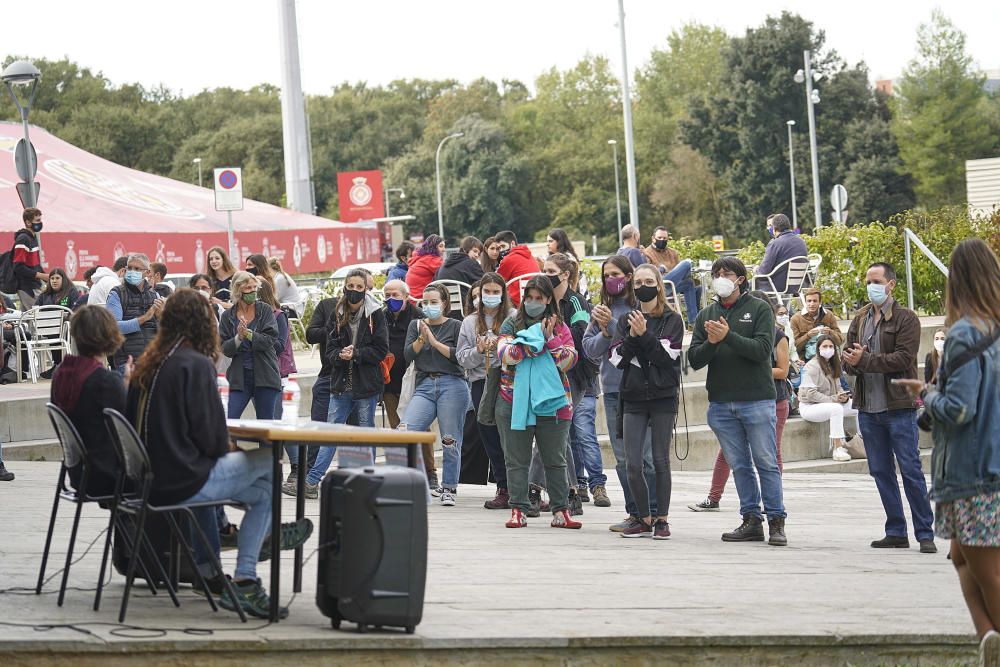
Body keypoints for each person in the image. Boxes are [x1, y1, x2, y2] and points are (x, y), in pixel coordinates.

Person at [125, 288, 312, 619]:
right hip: (185, 480)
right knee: (269, 459)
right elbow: (212, 441)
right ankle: (247, 572)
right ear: (203, 324)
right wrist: (233, 448)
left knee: (264, 490)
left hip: (153, 478)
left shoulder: (149, 364)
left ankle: (223, 569)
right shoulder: (195, 365)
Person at [895, 238, 1000, 666]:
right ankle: (988, 638)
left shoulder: (962, 334)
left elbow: (958, 409)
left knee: (983, 568)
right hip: (991, 461)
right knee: (960, 556)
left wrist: (926, 396)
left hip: (969, 468)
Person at [688, 257, 787, 546]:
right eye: (716, 274)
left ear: (740, 279)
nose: (721, 278)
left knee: (766, 462)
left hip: (756, 400)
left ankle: (777, 520)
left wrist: (728, 336)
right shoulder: (706, 313)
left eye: (726, 273)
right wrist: (713, 342)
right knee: (740, 465)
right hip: (721, 403)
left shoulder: (758, 309)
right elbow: (694, 359)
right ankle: (751, 519)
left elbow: (762, 350)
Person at [842, 262, 935, 553]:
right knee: (881, 471)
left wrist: (865, 361)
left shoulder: (907, 319)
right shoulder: (860, 319)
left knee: (910, 470)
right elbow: (846, 360)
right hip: (869, 409)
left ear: (891, 284)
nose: (871, 286)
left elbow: (903, 359)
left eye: (876, 280)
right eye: (868, 280)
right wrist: (852, 362)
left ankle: (924, 532)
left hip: (899, 407)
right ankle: (895, 530)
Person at [496, 276, 581, 529]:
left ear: (548, 301)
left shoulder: (561, 328)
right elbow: (507, 355)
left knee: (555, 460)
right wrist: (537, 342)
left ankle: (561, 511)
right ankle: (518, 510)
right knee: (516, 460)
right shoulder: (510, 323)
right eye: (529, 298)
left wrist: (550, 339)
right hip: (514, 400)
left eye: (539, 298)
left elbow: (568, 361)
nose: (533, 303)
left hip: (553, 402)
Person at [583, 255, 657, 531]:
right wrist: (602, 332)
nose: (609, 280)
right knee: (624, 459)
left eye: (615, 273)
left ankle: (654, 513)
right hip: (614, 391)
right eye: (605, 275)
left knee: (646, 458)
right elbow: (589, 351)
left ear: (628, 276)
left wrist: (612, 328)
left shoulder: (644, 307)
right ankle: (635, 513)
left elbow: (641, 343)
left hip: (645, 390)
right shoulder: (603, 309)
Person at [613, 264, 684, 539]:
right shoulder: (626, 320)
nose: (643, 285)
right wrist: (634, 336)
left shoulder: (672, 319)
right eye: (639, 281)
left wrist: (644, 336)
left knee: (659, 460)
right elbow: (618, 359)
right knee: (632, 463)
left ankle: (661, 520)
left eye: (649, 281)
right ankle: (642, 517)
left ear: (659, 284)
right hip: (633, 398)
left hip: (662, 397)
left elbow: (667, 360)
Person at [528, 253, 596, 516]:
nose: (546, 274)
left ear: (566, 274)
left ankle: (535, 489)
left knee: (556, 432)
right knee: (559, 433)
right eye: (544, 270)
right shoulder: (545, 301)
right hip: (549, 375)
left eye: (551, 270)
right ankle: (571, 493)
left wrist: (557, 341)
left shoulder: (576, 303)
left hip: (575, 376)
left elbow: (581, 339)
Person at [308, 269, 389, 483]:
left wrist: (358, 354)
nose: (354, 291)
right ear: (344, 286)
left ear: (365, 290)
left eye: (359, 287)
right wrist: (340, 356)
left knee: (365, 433)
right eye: (350, 286)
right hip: (340, 383)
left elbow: (381, 350)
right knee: (331, 434)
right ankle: (313, 480)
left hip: (366, 384)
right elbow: (330, 348)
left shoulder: (375, 314)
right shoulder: (337, 312)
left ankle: (368, 479)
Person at [401, 283, 471, 505]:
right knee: (405, 431)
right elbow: (407, 355)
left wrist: (433, 341)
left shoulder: (455, 325)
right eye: (425, 302)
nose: (429, 306)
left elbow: (458, 356)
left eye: (434, 302)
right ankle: (415, 483)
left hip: (452, 383)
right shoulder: (416, 325)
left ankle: (449, 487)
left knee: (450, 439)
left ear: (444, 304)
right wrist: (422, 339)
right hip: (425, 385)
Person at [50, 306, 127, 495]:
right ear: (110, 335)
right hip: (109, 475)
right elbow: (131, 427)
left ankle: (126, 523)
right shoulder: (106, 381)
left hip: (78, 473)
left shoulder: (61, 374)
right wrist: (127, 388)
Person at [457, 273, 513, 509]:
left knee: (511, 434)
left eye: (494, 292)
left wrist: (500, 347)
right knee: (488, 432)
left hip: (508, 379)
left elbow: (520, 349)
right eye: (485, 292)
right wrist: (479, 351)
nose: (490, 297)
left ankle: (520, 485)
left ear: (503, 294)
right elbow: (462, 358)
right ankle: (503, 486)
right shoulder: (469, 322)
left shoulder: (512, 316)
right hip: (481, 380)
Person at [380, 279, 436, 486]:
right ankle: (405, 471)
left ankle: (430, 473)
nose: (391, 299)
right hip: (389, 382)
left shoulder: (419, 317)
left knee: (421, 428)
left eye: (395, 295)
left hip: (415, 381)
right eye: (387, 295)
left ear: (406, 296)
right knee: (398, 429)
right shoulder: (380, 316)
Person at [219, 271, 282, 421]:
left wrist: (249, 334)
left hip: (265, 374)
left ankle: (268, 446)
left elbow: (270, 340)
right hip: (240, 378)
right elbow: (225, 348)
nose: (253, 291)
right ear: (237, 289)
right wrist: (238, 337)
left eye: (255, 288)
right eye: (248, 288)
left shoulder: (265, 310)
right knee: (229, 420)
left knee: (266, 424)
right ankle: (229, 446)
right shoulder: (228, 316)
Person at [799, 334, 858, 462]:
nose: (828, 349)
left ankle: (864, 441)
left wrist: (844, 398)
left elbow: (839, 388)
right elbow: (810, 393)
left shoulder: (833, 365)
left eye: (831, 346)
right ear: (818, 349)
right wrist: (833, 399)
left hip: (830, 403)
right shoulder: (811, 366)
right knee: (836, 409)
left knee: (857, 406)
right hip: (809, 407)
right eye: (825, 346)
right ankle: (838, 448)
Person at [107, 253, 163, 374]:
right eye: (130, 268)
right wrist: (145, 318)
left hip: (152, 359)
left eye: (137, 269)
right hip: (127, 361)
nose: (132, 272)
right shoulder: (117, 294)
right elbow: (113, 327)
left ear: (148, 273)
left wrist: (160, 317)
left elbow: (163, 332)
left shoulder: (155, 296)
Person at [642, 226, 701, 324]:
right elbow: (648, 274)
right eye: (659, 238)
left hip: (673, 285)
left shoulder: (673, 252)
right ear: (653, 238)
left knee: (692, 285)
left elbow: (679, 272)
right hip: (659, 286)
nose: (662, 240)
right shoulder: (647, 253)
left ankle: (694, 322)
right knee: (686, 264)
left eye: (665, 238)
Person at [256, 279, 295, 419]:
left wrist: (256, 340)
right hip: (257, 373)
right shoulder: (248, 317)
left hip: (275, 373)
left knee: (275, 419)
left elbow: (279, 346)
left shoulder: (278, 315)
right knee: (263, 419)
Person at [754, 213, 808, 293]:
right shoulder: (801, 242)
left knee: (747, 285)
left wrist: (756, 269)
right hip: (796, 286)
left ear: (774, 228)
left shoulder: (775, 243)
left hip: (776, 287)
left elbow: (763, 271)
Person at [790, 288, 843, 360]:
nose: (811, 304)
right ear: (805, 302)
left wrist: (830, 332)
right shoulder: (795, 319)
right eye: (809, 301)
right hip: (806, 361)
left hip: (828, 359)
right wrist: (807, 336)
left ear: (820, 302)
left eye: (815, 301)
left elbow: (840, 341)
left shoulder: (828, 315)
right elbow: (794, 347)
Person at [494, 230, 543, 307]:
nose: (501, 251)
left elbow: (497, 281)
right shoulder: (530, 256)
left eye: (503, 246)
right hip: (536, 299)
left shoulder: (508, 259)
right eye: (499, 248)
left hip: (517, 302)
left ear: (512, 243)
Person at [434, 235, 485, 308]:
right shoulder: (472, 263)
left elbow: (434, 284)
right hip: (466, 308)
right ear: (465, 249)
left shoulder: (443, 266)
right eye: (475, 251)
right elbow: (485, 283)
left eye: (479, 253)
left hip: (444, 308)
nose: (477, 255)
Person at [13, 207, 48, 309]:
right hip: (27, 287)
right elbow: (18, 267)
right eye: (37, 221)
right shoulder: (23, 239)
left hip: (33, 285)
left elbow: (36, 265)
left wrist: (47, 278)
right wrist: (41, 275)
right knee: (38, 317)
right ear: (28, 222)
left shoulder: (32, 238)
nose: (40, 223)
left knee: (27, 320)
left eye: (40, 220)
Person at [405, 235, 445, 300]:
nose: (444, 250)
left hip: (412, 299)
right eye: (441, 246)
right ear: (433, 247)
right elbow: (448, 272)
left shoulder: (420, 258)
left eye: (444, 246)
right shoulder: (432, 260)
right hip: (421, 301)